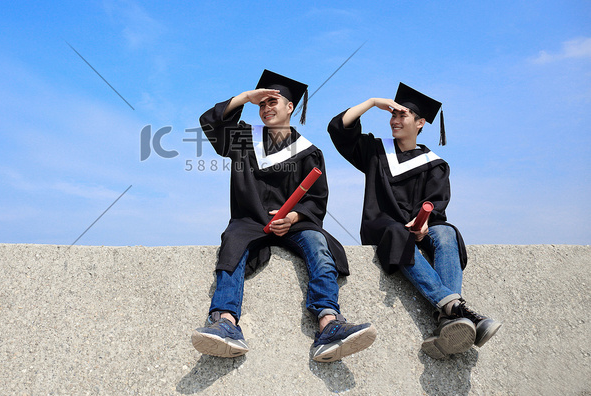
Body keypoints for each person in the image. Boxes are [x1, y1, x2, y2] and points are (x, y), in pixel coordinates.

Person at [191, 69, 377, 362]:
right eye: (262, 104)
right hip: (249, 221)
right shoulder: (243, 138)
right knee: (232, 242)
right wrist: (244, 98)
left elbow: (316, 199)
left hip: (294, 224)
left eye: (272, 102)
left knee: (318, 242)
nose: (266, 108)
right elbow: (210, 123)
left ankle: (329, 322)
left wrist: (293, 218)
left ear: (290, 107)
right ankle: (225, 322)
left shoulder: (309, 152)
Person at [327, 83, 501, 359]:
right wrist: (372, 101)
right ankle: (457, 308)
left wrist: (424, 224)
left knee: (446, 232)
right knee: (398, 232)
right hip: (383, 228)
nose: (395, 120)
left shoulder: (436, 164)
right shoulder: (375, 151)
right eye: (393, 115)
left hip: (419, 228)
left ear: (420, 123)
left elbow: (435, 205)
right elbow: (338, 128)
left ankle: (449, 319)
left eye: (403, 115)